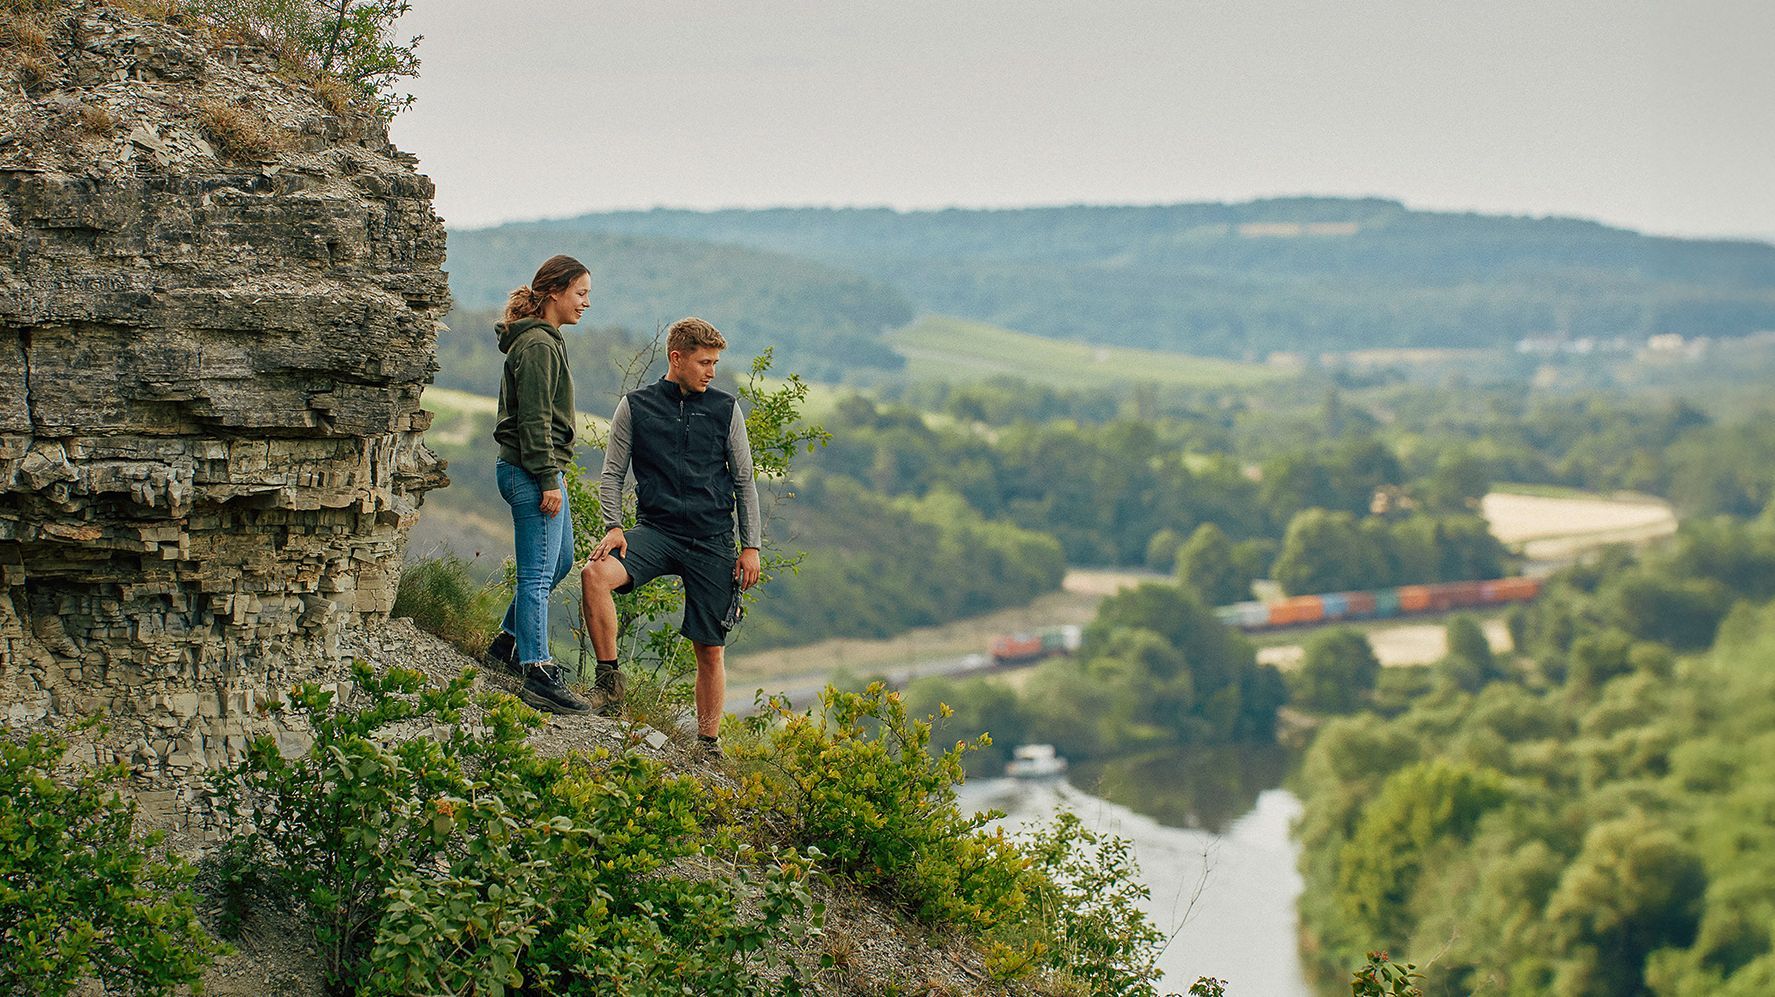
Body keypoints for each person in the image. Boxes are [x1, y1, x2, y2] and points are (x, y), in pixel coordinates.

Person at [581, 317, 761, 755]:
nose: (712, 371)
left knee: (710, 649)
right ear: (676, 358)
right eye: (704, 362)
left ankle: (708, 743)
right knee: (594, 574)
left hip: (712, 538)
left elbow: (744, 481)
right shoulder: (635, 406)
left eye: (715, 363)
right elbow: (611, 474)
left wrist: (751, 546)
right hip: (656, 531)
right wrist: (613, 526)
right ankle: (609, 682)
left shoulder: (726, 409)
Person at [482, 255, 594, 715]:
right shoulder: (538, 346)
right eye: (580, 293)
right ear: (554, 293)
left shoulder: (545, 340)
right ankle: (538, 671)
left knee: (560, 560)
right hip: (532, 471)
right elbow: (533, 420)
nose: (586, 303)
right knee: (536, 573)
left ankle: (508, 642)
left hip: (543, 470)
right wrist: (548, 478)